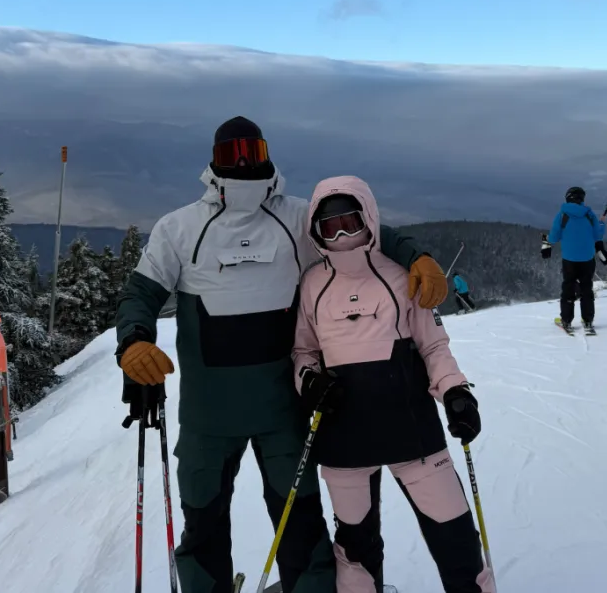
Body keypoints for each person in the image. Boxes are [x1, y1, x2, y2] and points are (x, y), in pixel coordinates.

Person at [114, 117, 450, 593]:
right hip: (210, 413)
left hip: (284, 408)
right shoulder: (180, 228)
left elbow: (365, 230)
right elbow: (139, 296)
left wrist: (415, 255)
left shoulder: (296, 217)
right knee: (204, 519)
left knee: (301, 521)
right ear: (213, 162)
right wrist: (134, 340)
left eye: (253, 150)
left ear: (269, 153)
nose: (245, 163)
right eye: (233, 155)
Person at [292, 175, 496, 593]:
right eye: (330, 227)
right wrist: (310, 383)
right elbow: (303, 353)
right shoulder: (312, 282)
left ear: (369, 218)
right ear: (316, 231)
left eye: (351, 222)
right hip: (345, 441)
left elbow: (433, 345)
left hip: (413, 433)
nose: (343, 235)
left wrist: (455, 391)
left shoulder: (402, 273)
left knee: (456, 540)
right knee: (355, 549)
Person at [541, 186, 607, 331]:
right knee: (586, 288)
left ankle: (566, 321)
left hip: (569, 259)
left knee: (568, 288)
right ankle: (588, 321)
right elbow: (598, 234)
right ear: (582, 199)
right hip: (587, 259)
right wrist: (603, 220)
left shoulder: (562, 215)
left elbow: (553, 237)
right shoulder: (589, 215)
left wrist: (546, 243)